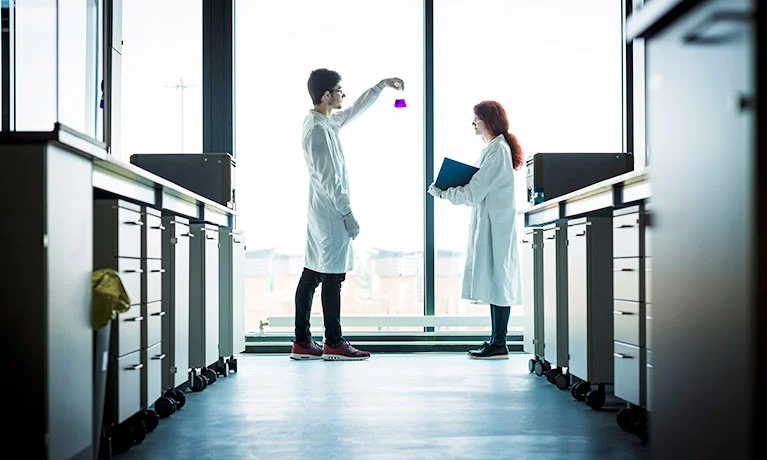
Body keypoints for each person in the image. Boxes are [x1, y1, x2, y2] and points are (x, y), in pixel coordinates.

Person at [290, 68, 404, 361]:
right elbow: (330, 179)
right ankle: (333, 342)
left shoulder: (324, 122)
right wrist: (347, 213)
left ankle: (303, 342)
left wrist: (380, 87)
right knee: (329, 277)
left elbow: (354, 110)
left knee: (313, 273)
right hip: (329, 212)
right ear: (327, 94)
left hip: (322, 211)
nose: (343, 94)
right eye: (340, 90)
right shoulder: (317, 130)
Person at [428, 100, 524, 359]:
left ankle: (499, 342)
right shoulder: (495, 150)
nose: (473, 123)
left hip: (497, 227)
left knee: (500, 283)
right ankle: (496, 340)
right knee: (496, 282)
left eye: (476, 119)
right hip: (493, 224)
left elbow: (473, 193)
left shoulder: (497, 151)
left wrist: (443, 192)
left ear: (488, 121)